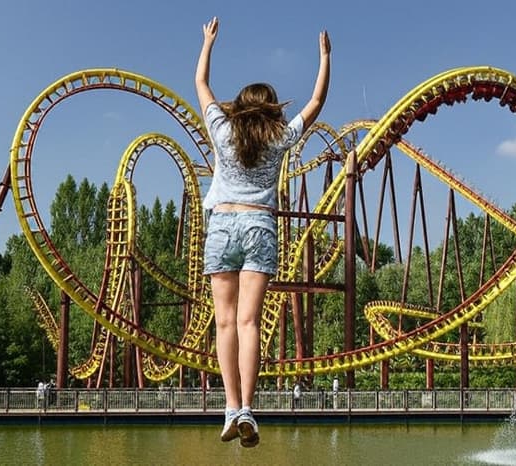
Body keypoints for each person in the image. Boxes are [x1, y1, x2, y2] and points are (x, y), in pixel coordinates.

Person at [195, 16, 331, 448]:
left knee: (225, 323)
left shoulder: (221, 129)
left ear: (239, 105)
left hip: (222, 223)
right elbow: (315, 101)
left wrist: (208, 43)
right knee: (251, 323)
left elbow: (201, 84)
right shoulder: (279, 137)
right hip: (259, 224)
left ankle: (231, 406)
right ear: (272, 108)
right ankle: (248, 407)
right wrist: (325, 58)